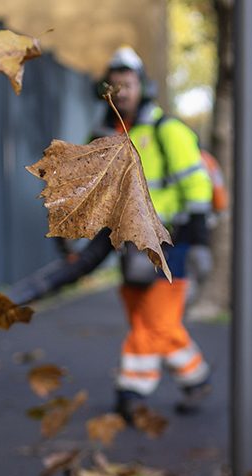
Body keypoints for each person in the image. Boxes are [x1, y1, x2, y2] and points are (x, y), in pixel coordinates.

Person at [69, 47, 213, 422]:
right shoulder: (103, 135)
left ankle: (130, 393)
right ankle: (196, 379)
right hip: (128, 247)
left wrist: (199, 242)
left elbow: (197, 186)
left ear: (143, 87)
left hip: (171, 244)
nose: (121, 93)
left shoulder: (168, 131)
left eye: (128, 85)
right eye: (114, 86)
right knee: (147, 321)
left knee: (155, 323)